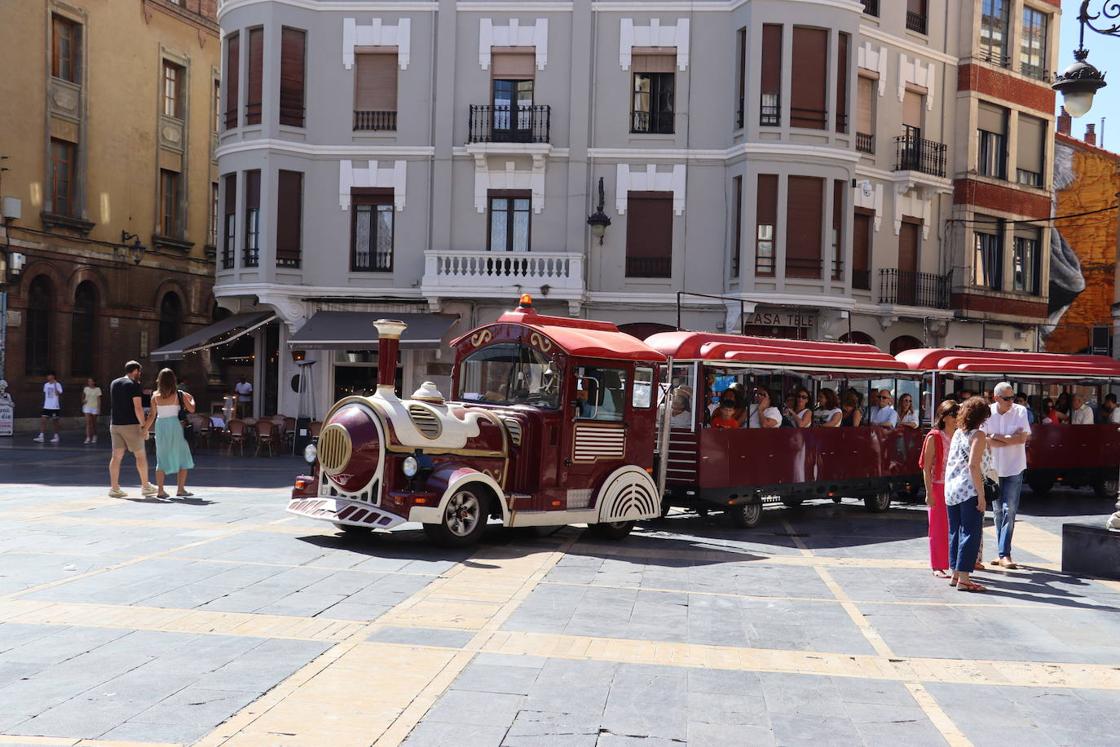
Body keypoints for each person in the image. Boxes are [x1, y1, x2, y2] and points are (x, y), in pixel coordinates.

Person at [943, 397, 993, 592]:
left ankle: (955, 573)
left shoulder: (957, 433)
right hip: (969, 489)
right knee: (971, 532)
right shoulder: (978, 435)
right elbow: (973, 465)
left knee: (955, 531)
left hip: (952, 488)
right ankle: (964, 578)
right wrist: (981, 495)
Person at [981, 382, 1031, 570]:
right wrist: (1010, 439)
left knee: (1010, 509)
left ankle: (1004, 553)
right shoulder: (987, 412)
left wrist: (996, 437)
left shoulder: (1020, 411)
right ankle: (1001, 552)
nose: (1011, 401)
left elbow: (1022, 439)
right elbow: (983, 439)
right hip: (994, 468)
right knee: (997, 511)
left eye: (1013, 397)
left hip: (1014, 467)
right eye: (1007, 398)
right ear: (996, 398)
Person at [143, 368, 196, 499]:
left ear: (159, 381)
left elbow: (151, 416)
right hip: (175, 426)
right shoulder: (179, 394)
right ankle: (180, 489)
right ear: (174, 380)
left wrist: (144, 430)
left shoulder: (155, 396)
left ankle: (160, 490)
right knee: (183, 457)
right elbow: (192, 409)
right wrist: (192, 399)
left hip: (160, 426)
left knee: (161, 458)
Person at [921, 400, 959, 578]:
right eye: (953, 415)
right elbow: (926, 467)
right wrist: (929, 492)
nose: (956, 418)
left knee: (955, 526)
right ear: (943, 417)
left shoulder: (960, 435)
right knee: (938, 527)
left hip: (956, 486)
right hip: (938, 486)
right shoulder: (934, 436)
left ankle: (953, 563)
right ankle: (937, 565)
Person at [109, 361, 157, 499]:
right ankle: (145, 486)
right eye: (139, 372)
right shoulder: (133, 385)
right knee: (140, 455)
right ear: (135, 371)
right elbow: (138, 407)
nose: (140, 375)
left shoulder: (114, 383)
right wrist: (143, 426)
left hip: (115, 424)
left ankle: (114, 488)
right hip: (131, 425)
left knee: (116, 457)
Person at [35, 372, 63, 443]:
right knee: (43, 420)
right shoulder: (46, 385)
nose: (48, 377)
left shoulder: (58, 384)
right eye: (47, 376)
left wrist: (55, 385)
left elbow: (58, 393)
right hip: (47, 406)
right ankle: (41, 436)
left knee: (55, 421)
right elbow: (46, 394)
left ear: (53, 376)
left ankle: (56, 436)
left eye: (49, 376)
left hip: (54, 406)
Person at [81, 377, 102, 445]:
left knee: (93, 423)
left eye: (91, 381)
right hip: (87, 406)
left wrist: (98, 408)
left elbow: (99, 399)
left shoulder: (97, 389)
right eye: (88, 381)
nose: (89, 382)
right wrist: (83, 401)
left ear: (94, 382)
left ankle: (94, 435)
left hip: (94, 407)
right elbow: (83, 397)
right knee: (88, 423)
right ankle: (88, 437)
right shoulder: (86, 389)